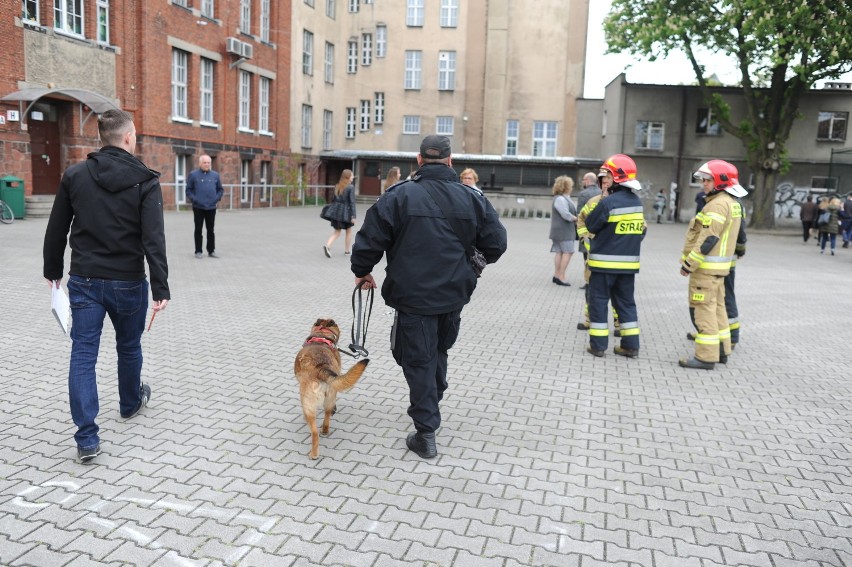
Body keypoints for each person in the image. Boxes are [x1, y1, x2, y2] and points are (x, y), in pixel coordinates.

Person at [350, 135, 507, 459]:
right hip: (452, 295)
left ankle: (425, 432)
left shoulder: (398, 196)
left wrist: (362, 270)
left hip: (413, 297)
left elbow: (369, 240)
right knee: (437, 350)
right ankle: (433, 396)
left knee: (418, 359)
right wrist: (469, 267)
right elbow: (496, 243)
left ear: (419, 161)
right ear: (451, 161)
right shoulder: (472, 198)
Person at [43, 108, 170, 463]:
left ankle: (87, 437)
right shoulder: (145, 180)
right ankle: (130, 404)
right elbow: (153, 239)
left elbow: (56, 229)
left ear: (103, 138)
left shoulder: (75, 175)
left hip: (84, 281)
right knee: (128, 347)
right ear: (129, 137)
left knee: (83, 354)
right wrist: (161, 288)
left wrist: (52, 270)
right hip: (129, 282)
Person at [678, 160, 745, 370]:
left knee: (703, 311)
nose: (703, 184)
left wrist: (689, 264)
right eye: (703, 180)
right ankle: (723, 351)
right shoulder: (731, 202)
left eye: (708, 180)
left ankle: (705, 357)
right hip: (719, 270)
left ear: (720, 181)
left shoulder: (716, 204)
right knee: (718, 310)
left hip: (705, 270)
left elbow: (708, 239)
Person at [584, 154, 645, 358]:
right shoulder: (637, 203)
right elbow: (641, 232)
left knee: (598, 302)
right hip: (628, 266)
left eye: (607, 176)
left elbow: (591, 224)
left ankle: (598, 346)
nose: (605, 180)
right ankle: (630, 346)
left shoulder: (608, 203)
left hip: (603, 265)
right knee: (626, 304)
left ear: (616, 178)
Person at [186, 154, 224, 259]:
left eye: (208, 163)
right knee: (198, 230)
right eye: (205, 162)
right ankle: (198, 251)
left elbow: (220, 190)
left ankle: (211, 251)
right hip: (198, 207)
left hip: (211, 208)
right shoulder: (193, 175)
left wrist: (216, 199)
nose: (207, 164)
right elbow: (188, 190)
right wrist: (195, 199)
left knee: (210, 230)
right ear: (200, 163)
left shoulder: (215, 175)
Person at [549, 176, 578, 286]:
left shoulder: (562, 198)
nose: (572, 187)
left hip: (559, 230)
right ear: (566, 186)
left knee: (560, 252)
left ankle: (556, 275)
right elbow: (565, 214)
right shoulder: (560, 199)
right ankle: (561, 276)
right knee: (568, 252)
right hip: (563, 231)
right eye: (570, 185)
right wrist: (577, 219)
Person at [576, 171, 602, 290]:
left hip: (586, 231)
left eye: (583, 180)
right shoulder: (601, 192)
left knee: (587, 258)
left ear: (587, 181)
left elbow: (580, 214)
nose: (583, 183)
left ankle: (588, 282)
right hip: (600, 231)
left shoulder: (583, 194)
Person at [323, 169, 357, 257]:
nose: (353, 177)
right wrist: (354, 216)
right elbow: (352, 202)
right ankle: (347, 251)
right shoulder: (350, 187)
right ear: (348, 177)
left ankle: (328, 246)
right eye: (352, 175)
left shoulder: (337, 186)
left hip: (336, 212)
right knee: (349, 231)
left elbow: (333, 199)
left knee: (337, 231)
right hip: (346, 213)